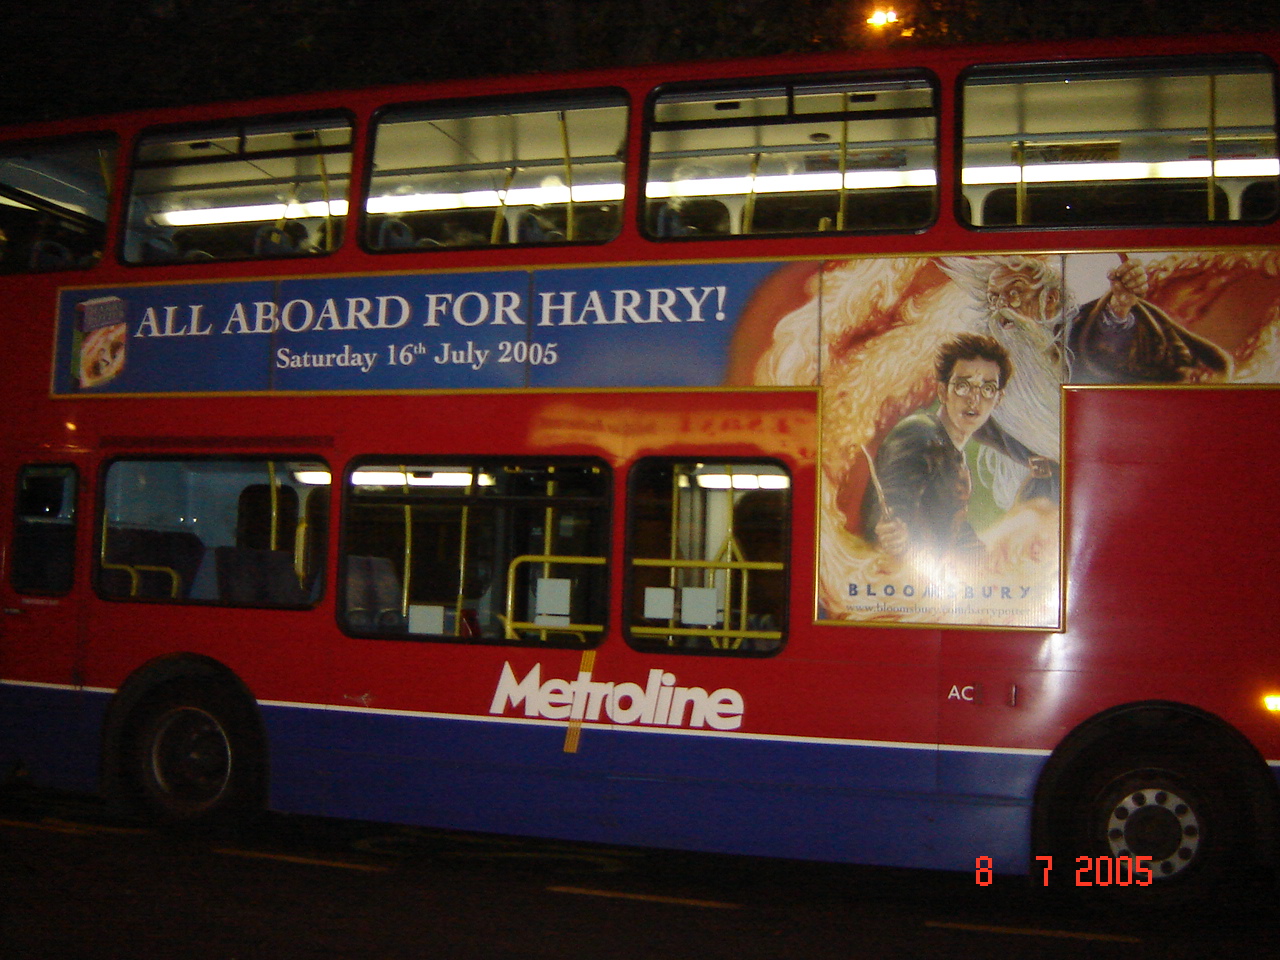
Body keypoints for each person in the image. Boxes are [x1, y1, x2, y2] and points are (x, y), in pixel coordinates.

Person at [862, 333, 1054, 560]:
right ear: (943, 392)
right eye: (963, 386)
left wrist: (987, 558)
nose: (974, 399)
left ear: (998, 399)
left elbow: (951, 530)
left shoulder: (953, 455)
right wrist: (893, 534)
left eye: (987, 389)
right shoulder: (918, 433)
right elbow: (890, 505)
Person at [1067, 256, 1232, 384]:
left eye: (1203, 312)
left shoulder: (1160, 357)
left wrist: (1119, 310)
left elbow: (1111, 351)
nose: (1191, 308)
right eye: (1201, 288)